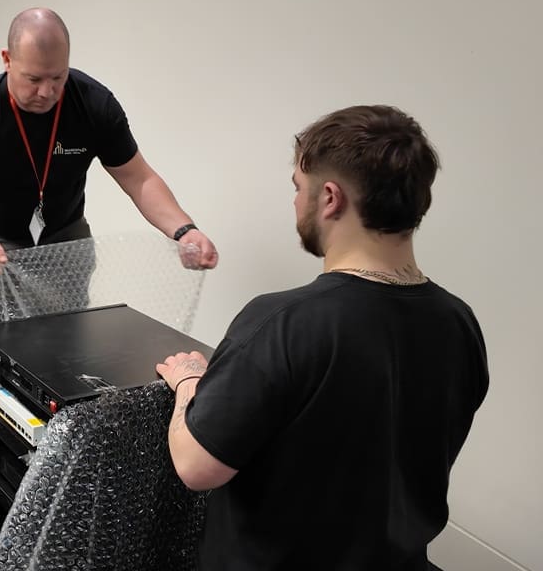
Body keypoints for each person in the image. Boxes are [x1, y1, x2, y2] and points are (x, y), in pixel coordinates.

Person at [156, 105, 489, 570]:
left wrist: (189, 384)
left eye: (298, 186)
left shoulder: (282, 322)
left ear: (330, 198)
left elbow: (197, 466)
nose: (295, 200)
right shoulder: (460, 323)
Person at [0, 7, 217, 280]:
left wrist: (184, 230)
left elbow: (139, 179)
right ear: (7, 60)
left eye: (58, 77)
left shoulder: (94, 105)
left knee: (69, 327)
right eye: (33, 79)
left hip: (64, 231)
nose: (46, 91)